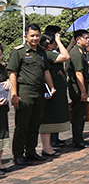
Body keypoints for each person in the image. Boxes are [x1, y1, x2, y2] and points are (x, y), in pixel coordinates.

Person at [8, 23, 60, 165]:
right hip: (25, 92)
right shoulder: (18, 52)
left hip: (39, 92)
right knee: (22, 125)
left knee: (35, 124)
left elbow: (46, 71)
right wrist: (14, 94)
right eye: (32, 35)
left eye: (37, 35)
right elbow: (13, 73)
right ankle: (18, 154)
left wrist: (52, 87)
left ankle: (31, 152)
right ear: (26, 37)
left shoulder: (42, 52)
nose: (35, 38)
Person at [39, 32, 71, 156]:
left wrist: (70, 43)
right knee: (50, 116)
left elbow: (63, 54)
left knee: (54, 115)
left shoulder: (51, 53)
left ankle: (51, 143)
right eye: (54, 42)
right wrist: (58, 40)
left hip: (57, 87)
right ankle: (48, 145)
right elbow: (65, 57)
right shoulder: (48, 53)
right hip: (51, 89)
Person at [65, 29, 89, 149]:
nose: (88, 40)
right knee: (78, 115)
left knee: (80, 115)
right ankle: (77, 140)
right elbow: (78, 73)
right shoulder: (76, 53)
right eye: (85, 37)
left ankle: (79, 138)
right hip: (77, 88)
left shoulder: (81, 52)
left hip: (79, 87)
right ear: (78, 40)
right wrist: (83, 92)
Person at [0, 47, 11, 175]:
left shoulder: (2, 67)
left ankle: (0, 162)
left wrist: (8, 82)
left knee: (2, 134)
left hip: (3, 106)